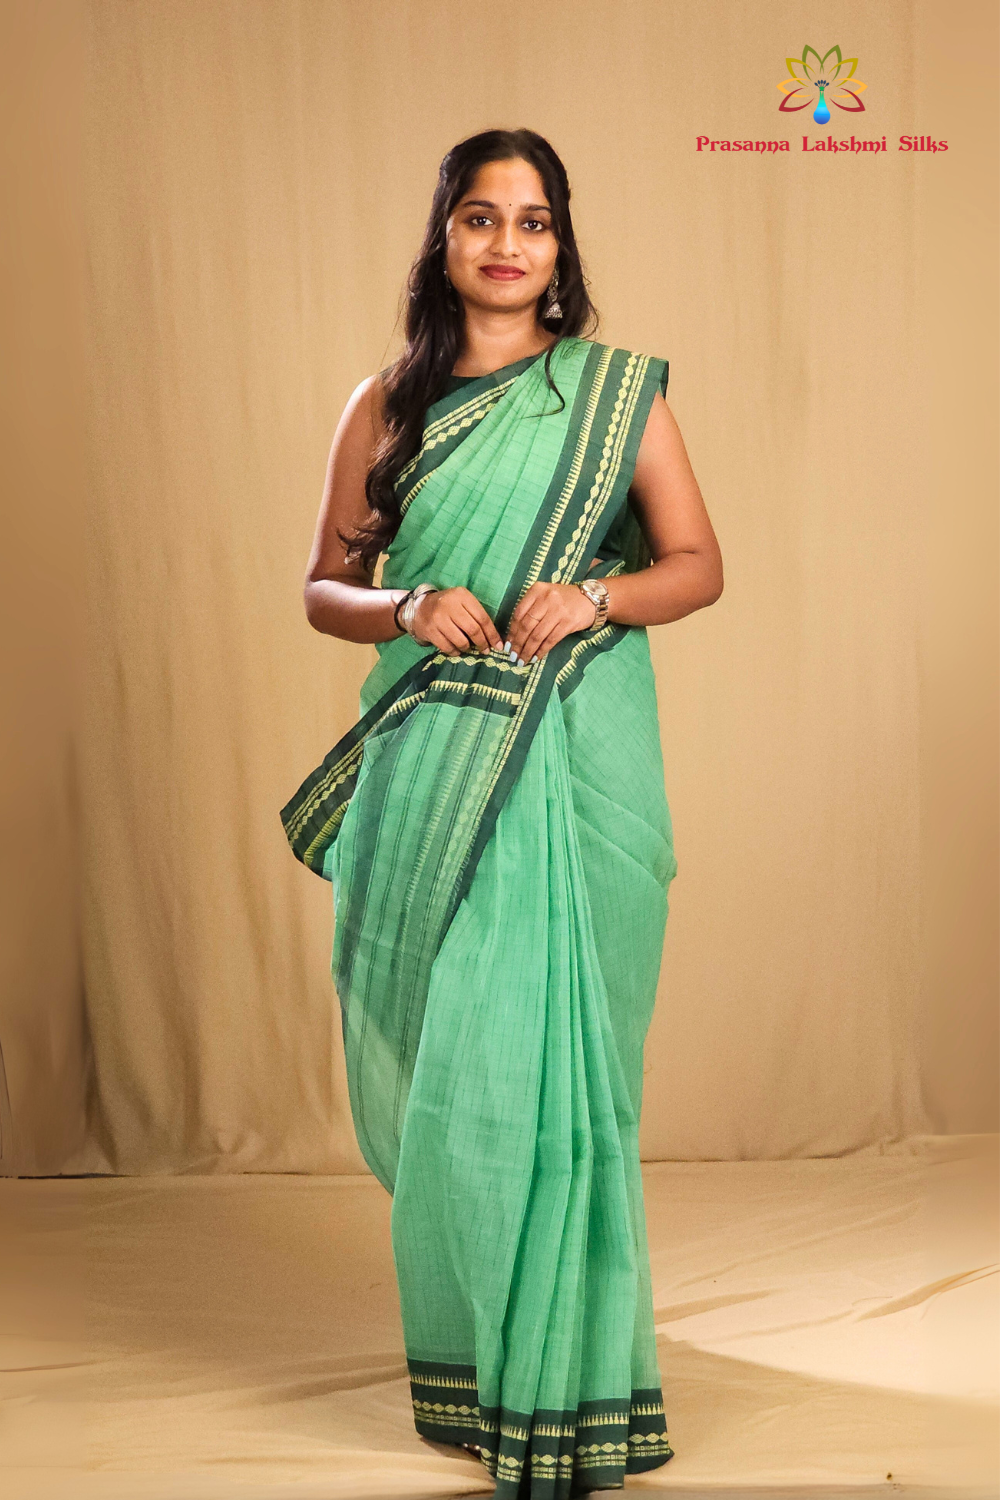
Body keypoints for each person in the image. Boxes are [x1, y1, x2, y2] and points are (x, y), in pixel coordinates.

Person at [282, 127, 722, 1499]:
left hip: (573, 761)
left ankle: (569, 1374)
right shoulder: (386, 406)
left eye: (533, 221)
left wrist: (592, 596)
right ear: (446, 240)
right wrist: (409, 603)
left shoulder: (614, 398)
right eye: (482, 217)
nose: (508, 243)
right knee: (459, 1069)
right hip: (431, 768)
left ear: (560, 246)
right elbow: (324, 588)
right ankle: (477, 1363)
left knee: (552, 1061)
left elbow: (697, 565)